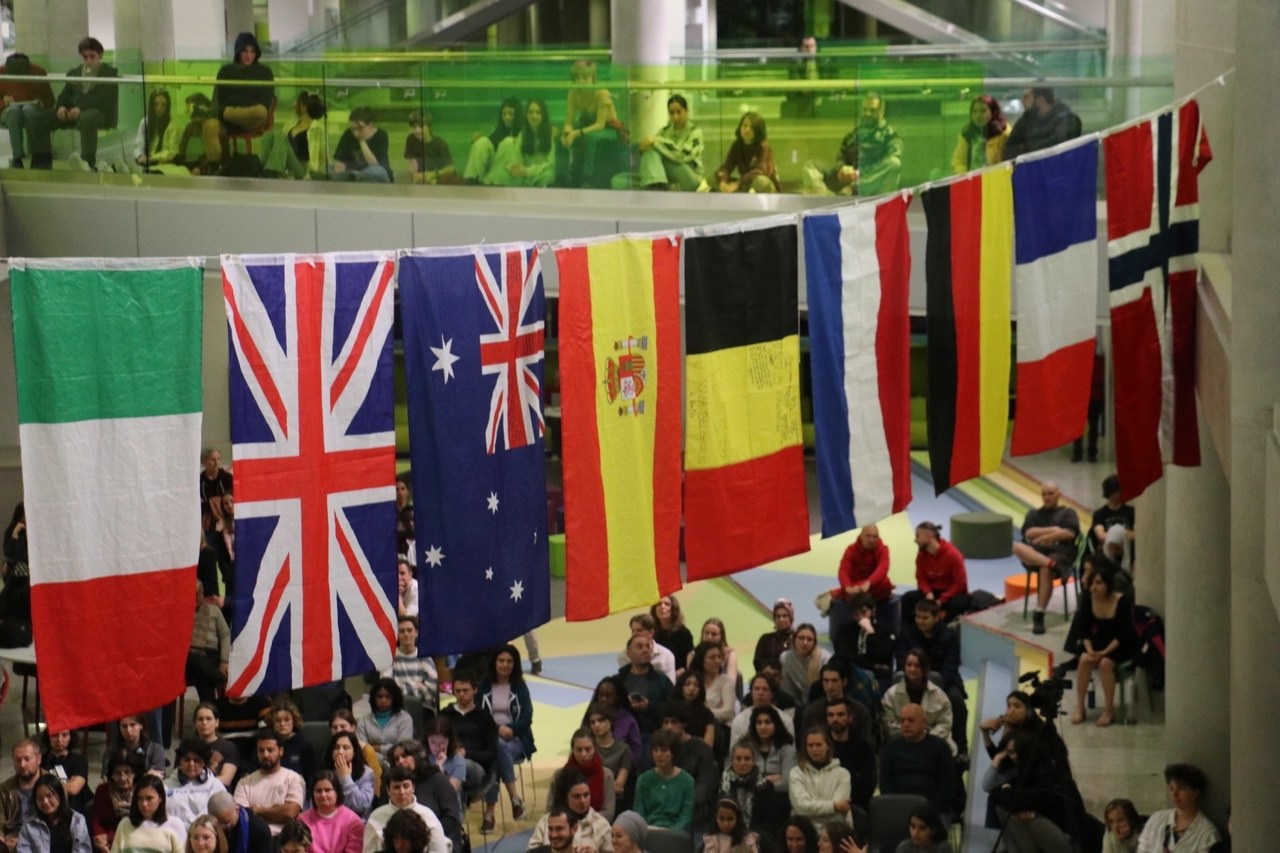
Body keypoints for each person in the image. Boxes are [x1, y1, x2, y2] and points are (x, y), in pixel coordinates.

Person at [982, 731, 1078, 853]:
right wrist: (998, 758)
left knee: (1019, 815)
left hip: (1065, 839)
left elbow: (1015, 802)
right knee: (1006, 809)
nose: (1014, 756)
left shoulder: (1046, 772)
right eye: (1010, 752)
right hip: (1042, 836)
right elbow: (991, 789)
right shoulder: (1022, 771)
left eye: (1016, 751)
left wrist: (1006, 788)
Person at [34, 37, 119, 172]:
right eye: (85, 57)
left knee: (88, 118)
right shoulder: (74, 73)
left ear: (100, 55)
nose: (89, 60)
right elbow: (65, 94)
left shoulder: (109, 73)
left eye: (92, 56)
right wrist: (61, 107)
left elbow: (104, 99)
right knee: (42, 118)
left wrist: (81, 108)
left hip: (99, 114)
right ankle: (41, 161)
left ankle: (87, 162)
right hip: (73, 113)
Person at [1067, 565, 1138, 726]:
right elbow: (1083, 630)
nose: (1094, 587)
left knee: (1105, 664)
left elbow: (1123, 634)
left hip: (1121, 644)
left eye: (1099, 583)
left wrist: (1103, 653)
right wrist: (1090, 650)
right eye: (1092, 583)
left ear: (1108, 585)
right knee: (1084, 659)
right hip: (1099, 641)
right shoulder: (1088, 599)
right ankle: (1080, 707)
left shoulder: (1123, 601)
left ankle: (1109, 710)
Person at [894, 599, 967, 755]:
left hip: (942, 683)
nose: (920, 621)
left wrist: (935, 688)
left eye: (925, 617)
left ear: (936, 617)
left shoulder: (949, 636)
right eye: (918, 617)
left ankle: (961, 749)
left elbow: (951, 666)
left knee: (957, 702)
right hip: (910, 680)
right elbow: (901, 661)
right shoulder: (906, 633)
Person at [1011, 482, 1081, 635]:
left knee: (1045, 570)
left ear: (1058, 494)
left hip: (1061, 552)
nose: (1047, 497)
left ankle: (1039, 613)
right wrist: (1055, 530)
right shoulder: (1033, 514)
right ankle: (1052, 565)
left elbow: (1070, 533)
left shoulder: (1068, 513)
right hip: (1036, 555)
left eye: (1050, 493)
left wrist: (1044, 538)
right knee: (1016, 547)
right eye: (1044, 494)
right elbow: (1028, 532)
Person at [202, 32, 274, 172]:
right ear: (238, 52)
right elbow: (219, 99)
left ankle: (230, 114)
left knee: (260, 111)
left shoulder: (265, 72)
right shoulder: (226, 71)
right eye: (245, 51)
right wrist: (225, 112)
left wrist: (230, 111)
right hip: (227, 123)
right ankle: (215, 170)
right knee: (209, 126)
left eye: (252, 51)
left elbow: (265, 102)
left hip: (251, 119)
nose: (249, 56)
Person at [480, 643, 535, 824]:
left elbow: (527, 717)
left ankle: (489, 812)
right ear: (494, 662)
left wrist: (511, 729)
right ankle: (515, 799)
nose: (505, 665)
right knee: (497, 748)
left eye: (509, 661)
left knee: (494, 755)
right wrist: (496, 730)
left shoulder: (520, 686)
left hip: (516, 739)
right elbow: (478, 715)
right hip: (491, 738)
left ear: (515, 664)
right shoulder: (484, 685)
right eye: (501, 660)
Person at [440, 673, 498, 829]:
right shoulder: (445, 714)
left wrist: (466, 753)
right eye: (457, 691)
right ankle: (453, 824)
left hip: (476, 769)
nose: (461, 695)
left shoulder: (484, 717)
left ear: (475, 690)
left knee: (461, 765)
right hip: (447, 764)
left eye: (465, 690)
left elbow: (491, 754)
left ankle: (454, 824)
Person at [877, 705, 953, 818]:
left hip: (933, 810)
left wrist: (929, 809)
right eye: (902, 721)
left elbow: (948, 784)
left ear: (924, 723)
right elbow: (885, 783)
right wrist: (896, 805)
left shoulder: (940, 747)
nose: (906, 724)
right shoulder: (891, 746)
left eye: (911, 720)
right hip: (898, 808)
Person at [387, 740, 461, 850]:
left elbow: (451, 819)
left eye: (405, 756)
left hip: (441, 840)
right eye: (397, 759)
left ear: (416, 756)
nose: (400, 761)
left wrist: (424, 835)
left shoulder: (437, 780)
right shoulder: (393, 785)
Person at [558, 59, 620, 189]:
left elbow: (600, 125)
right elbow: (569, 122)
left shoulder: (602, 93)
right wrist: (566, 133)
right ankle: (562, 177)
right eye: (577, 78)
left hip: (609, 129)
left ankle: (587, 179)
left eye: (585, 78)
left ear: (593, 78)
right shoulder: (573, 93)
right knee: (559, 138)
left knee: (591, 138)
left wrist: (576, 133)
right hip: (586, 126)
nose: (581, 82)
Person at [880, 651, 956, 755]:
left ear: (925, 668)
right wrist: (911, 735)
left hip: (932, 743)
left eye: (917, 666)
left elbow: (945, 724)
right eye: (909, 665)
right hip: (901, 742)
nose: (912, 669)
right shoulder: (891, 695)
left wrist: (925, 738)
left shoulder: (939, 695)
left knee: (949, 751)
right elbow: (888, 723)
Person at [232, 730, 304, 836]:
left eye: (270, 750)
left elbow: (290, 813)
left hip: (284, 839)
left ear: (281, 751)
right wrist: (277, 811)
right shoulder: (245, 783)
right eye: (261, 751)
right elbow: (243, 818)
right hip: (255, 839)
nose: (265, 755)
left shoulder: (293, 778)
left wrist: (258, 810)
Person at [1135, 765, 1221, 852]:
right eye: (1172, 788)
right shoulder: (1156, 819)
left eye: (1181, 788)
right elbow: (1142, 850)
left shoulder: (1207, 833)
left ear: (1196, 792)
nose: (1174, 794)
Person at [361, 767, 448, 853]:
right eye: (396, 787)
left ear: (413, 787)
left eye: (406, 786)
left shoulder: (428, 816)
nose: (402, 792)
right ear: (388, 790)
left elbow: (439, 850)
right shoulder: (376, 816)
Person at [902, 522, 970, 623]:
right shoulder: (921, 556)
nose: (915, 540)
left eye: (918, 536)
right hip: (933, 592)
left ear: (929, 535)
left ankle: (947, 629)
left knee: (958, 604)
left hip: (952, 594)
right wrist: (927, 592)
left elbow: (960, 584)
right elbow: (921, 578)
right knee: (908, 598)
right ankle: (911, 630)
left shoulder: (953, 555)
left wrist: (941, 600)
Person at [638, 95, 706, 191]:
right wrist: (643, 147)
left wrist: (656, 142)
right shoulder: (664, 131)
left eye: (679, 112)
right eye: (671, 113)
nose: (675, 117)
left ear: (686, 111)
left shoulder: (695, 132)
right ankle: (656, 186)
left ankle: (656, 187)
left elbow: (681, 156)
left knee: (653, 147)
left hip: (690, 175)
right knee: (650, 151)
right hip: (669, 177)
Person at [743, 706, 794, 832]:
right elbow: (742, 776)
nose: (763, 727)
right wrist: (769, 780)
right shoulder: (747, 747)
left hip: (779, 802)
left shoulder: (787, 749)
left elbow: (788, 783)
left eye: (767, 722)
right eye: (759, 723)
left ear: (775, 724)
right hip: (751, 801)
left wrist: (762, 784)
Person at [788, 728, 851, 827]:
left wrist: (813, 810)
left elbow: (839, 812)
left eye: (818, 745)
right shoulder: (796, 772)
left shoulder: (843, 774)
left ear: (828, 746)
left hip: (833, 830)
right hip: (805, 830)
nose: (814, 749)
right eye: (810, 745)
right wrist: (833, 806)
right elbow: (801, 808)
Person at [632, 730, 694, 831]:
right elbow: (639, 812)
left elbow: (685, 816)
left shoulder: (687, 781)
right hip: (648, 830)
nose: (659, 754)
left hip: (675, 834)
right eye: (655, 750)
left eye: (664, 750)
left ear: (673, 753)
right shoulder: (643, 779)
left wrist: (670, 833)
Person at [0, 53, 54, 169]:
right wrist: (3, 102)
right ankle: (17, 157)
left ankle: (36, 154)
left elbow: (50, 101)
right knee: (14, 111)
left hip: (32, 111)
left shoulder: (38, 72)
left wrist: (41, 103)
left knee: (28, 110)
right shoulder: (1, 73)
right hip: (8, 111)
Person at [533, 774, 612, 852]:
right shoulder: (546, 821)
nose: (583, 801)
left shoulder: (602, 825)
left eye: (586, 795)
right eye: (577, 796)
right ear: (566, 798)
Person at [832, 593, 895, 689]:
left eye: (863, 612)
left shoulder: (886, 630)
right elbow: (842, 655)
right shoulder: (844, 631)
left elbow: (882, 656)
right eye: (856, 614)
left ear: (873, 611)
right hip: (850, 672)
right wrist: (873, 665)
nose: (860, 617)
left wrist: (870, 633)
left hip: (878, 676)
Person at [823, 700, 876, 812]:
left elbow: (868, 783)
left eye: (840, 714)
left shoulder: (863, 748)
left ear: (850, 717)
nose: (835, 719)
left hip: (856, 804)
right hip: (825, 803)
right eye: (831, 715)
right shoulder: (821, 747)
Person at [1003, 86, 1082, 161]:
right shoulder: (1026, 119)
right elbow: (1010, 148)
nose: (1023, 101)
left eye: (1027, 97)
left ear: (1040, 100)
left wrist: (1025, 149)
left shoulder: (1067, 120)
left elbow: (1054, 150)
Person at [16, 772, 89, 853]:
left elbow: (83, 850)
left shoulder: (77, 821)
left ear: (59, 794)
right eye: (40, 798)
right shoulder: (29, 825)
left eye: (49, 796)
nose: (45, 802)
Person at [554, 730, 616, 821]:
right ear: (573, 750)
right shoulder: (559, 775)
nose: (583, 754)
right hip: (564, 825)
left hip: (597, 826)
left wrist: (584, 823)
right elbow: (552, 809)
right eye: (579, 750)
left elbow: (608, 812)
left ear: (594, 749)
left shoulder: (607, 775)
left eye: (588, 749)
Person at [165, 739, 227, 830]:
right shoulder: (166, 785)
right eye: (187, 760)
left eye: (196, 760)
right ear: (180, 761)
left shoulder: (215, 786)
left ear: (204, 763)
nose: (191, 764)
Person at [111, 777, 185, 851]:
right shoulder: (125, 824)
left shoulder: (174, 824)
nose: (144, 804)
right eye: (140, 798)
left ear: (160, 798)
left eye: (149, 798)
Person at [619, 634, 673, 736]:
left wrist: (649, 706)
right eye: (639, 647)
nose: (645, 650)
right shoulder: (618, 681)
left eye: (648, 646)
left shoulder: (662, 680)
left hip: (654, 735)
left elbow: (674, 708)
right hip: (624, 735)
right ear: (629, 653)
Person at [298, 771, 364, 853]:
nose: (323, 795)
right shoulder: (302, 820)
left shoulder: (353, 822)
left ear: (337, 792)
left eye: (327, 790)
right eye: (318, 791)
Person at [382, 615, 438, 709]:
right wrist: (417, 687)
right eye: (402, 631)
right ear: (397, 634)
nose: (406, 634)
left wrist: (401, 689)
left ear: (416, 633)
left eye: (409, 630)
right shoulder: (390, 658)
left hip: (422, 708)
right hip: (397, 708)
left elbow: (432, 689)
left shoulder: (425, 657)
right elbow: (386, 687)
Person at [187, 582, 230, 702]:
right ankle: (220, 678)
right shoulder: (182, 612)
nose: (195, 597)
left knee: (202, 676)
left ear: (202, 593)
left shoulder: (214, 610)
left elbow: (225, 635)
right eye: (192, 594)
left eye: (198, 593)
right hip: (189, 657)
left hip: (210, 656)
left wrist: (224, 661)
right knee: (193, 658)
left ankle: (209, 708)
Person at [585, 678, 643, 766]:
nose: (604, 699)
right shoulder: (589, 717)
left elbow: (636, 750)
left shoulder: (628, 720)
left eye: (608, 695)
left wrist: (625, 766)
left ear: (617, 697)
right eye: (601, 695)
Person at [716, 112, 778, 193]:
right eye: (745, 126)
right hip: (746, 184)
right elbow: (727, 167)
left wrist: (738, 183)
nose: (747, 130)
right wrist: (723, 181)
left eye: (752, 128)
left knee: (760, 181)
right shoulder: (737, 145)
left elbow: (761, 171)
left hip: (763, 187)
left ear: (758, 131)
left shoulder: (763, 146)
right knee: (716, 177)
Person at [90, 751, 140, 853]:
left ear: (135, 773)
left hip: (135, 840)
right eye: (118, 773)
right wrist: (100, 838)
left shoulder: (142, 791)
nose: (122, 778)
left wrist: (109, 837)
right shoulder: (103, 790)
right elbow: (97, 818)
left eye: (127, 772)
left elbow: (141, 825)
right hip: (106, 844)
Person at [462, 97, 521, 183]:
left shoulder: (525, 132)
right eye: (504, 114)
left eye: (510, 114)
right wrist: (479, 139)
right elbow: (488, 146)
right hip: (496, 168)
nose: (507, 117)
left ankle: (489, 182)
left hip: (513, 172)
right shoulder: (498, 130)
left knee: (508, 142)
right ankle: (471, 180)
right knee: (482, 142)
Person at [358, 677, 414, 764]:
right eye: (379, 696)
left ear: (394, 698)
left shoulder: (405, 719)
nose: (383, 700)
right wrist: (382, 758)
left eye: (388, 697)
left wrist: (377, 748)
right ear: (373, 698)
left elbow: (403, 748)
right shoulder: (364, 721)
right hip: (372, 764)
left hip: (399, 763)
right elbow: (362, 749)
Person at [950, 94, 1009, 174]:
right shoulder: (967, 134)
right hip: (972, 179)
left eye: (983, 111)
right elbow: (958, 160)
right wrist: (963, 174)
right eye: (975, 111)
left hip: (996, 178)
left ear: (993, 112)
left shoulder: (1003, 132)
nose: (978, 115)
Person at [330, 107, 391, 183]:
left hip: (372, 172)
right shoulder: (348, 134)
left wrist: (362, 141)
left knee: (377, 171)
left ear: (370, 124)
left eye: (360, 128)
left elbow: (374, 164)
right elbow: (341, 159)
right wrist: (340, 165)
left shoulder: (381, 135)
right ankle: (353, 176)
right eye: (353, 129)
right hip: (351, 170)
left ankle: (355, 177)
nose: (356, 132)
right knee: (330, 169)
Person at [586, 703, 631, 805]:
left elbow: (619, 785)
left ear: (610, 721)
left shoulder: (624, 749)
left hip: (614, 802)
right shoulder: (586, 748)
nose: (596, 725)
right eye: (592, 722)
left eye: (600, 720)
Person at [322, 732, 373, 818]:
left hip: (355, 819)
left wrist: (346, 778)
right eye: (336, 747)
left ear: (354, 751)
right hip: (328, 818)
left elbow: (361, 805)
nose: (340, 752)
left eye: (346, 748)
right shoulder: (324, 770)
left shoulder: (366, 773)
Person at [41, 729, 90, 817]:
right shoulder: (40, 760)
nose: (59, 740)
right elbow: (37, 789)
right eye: (55, 735)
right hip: (49, 806)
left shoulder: (79, 760)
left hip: (77, 806)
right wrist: (65, 785)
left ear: (71, 737)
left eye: (64, 735)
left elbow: (73, 789)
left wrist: (48, 784)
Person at [190, 704, 240, 789]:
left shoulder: (228, 747)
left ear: (217, 722)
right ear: (195, 723)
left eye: (208, 719)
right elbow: (179, 774)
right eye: (200, 719)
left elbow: (226, 779)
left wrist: (200, 785)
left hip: (218, 792)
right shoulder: (187, 746)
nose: (204, 723)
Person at [270, 699, 317, 788]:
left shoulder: (305, 746)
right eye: (278, 720)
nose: (282, 724)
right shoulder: (266, 744)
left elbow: (311, 779)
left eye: (287, 720)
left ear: (294, 721)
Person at [780, 624, 829, 707]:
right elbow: (788, 689)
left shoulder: (824, 658)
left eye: (809, 639)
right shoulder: (786, 657)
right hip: (797, 704)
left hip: (821, 702)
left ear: (814, 643)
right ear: (794, 639)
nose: (805, 642)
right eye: (801, 638)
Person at [206, 792, 273, 853]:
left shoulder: (258, 829)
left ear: (237, 810)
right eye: (218, 824)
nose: (222, 827)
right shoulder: (207, 829)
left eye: (226, 822)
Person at [690, 642, 735, 727]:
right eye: (712, 657)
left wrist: (699, 713)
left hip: (721, 727)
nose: (717, 661)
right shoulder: (692, 681)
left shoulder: (727, 681)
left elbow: (727, 712)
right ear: (701, 660)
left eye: (719, 657)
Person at [134, 90, 181, 171]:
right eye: (156, 104)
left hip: (167, 167)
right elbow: (138, 145)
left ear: (167, 107)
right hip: (146, 165)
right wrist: (140, 156)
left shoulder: (174, 125)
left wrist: (152, 159)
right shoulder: (145, 123)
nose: (159, 108)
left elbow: (172, 152)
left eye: (163, 105)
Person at [404, 111, 455, 185]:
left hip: (438, 177)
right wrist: (415, 175)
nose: (417, 130)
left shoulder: (440, 143)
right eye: (414, 127)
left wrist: (433, 174)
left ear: (429, 127)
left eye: (421, 126)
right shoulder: (411, 139)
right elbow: (412, 163)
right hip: (421, 178)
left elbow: (450, 168)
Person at [286, 91, 328, 179]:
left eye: (297, 102)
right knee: (272, 138)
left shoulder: (318, 129)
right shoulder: (289, 125)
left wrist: (318, 174)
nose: (294, 104)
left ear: (304, 107)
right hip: (289, 167)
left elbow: (323, 155)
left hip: (305, 168)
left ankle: (273, 172)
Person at [1091, 474, 1135, 555]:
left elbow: (1137, 535)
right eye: (1119, 490)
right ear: (1110, 492)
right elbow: (1101, 536)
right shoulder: (1099, 514)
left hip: (1127, 552)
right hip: (1107, 553)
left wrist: (1112, 537)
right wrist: (1125, 535)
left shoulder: (1131, 511)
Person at [651, 594, 694, 673]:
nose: (662, 606)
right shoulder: (651, 631)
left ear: (674, 609)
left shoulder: (684, 634)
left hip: (676, 675)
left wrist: (673, 675)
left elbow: (688, 664)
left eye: (667, 604)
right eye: (659, 604)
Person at [674, 672, 717, 747]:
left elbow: (708, 746)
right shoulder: (671, 710)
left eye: (696, 685)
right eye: (687, 684)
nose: (692, 688)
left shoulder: (706, 714)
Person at [753, 599, 794, 675]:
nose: (781, 619)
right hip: (768, 679)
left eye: (784, 616)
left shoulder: (799, 638)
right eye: (778, 616)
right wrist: (766, 669)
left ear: (791, 618)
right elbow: (757, 661)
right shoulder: (765, 639)